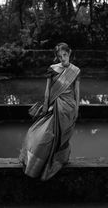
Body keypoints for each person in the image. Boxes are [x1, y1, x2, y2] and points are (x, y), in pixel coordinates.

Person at [19, 42, 80, 181]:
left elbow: (77, 92)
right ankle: (37, 164)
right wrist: (46, 105)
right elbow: (47, 90)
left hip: (69, 108)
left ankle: (60, 160)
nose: (63, 58)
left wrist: (77, 109)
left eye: (65, 55)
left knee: (63, 138)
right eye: (59, 56)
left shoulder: (76, 71)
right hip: (54, 106)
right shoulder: (52, 69)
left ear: (69, 53)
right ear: (57, 57)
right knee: (40, 134)